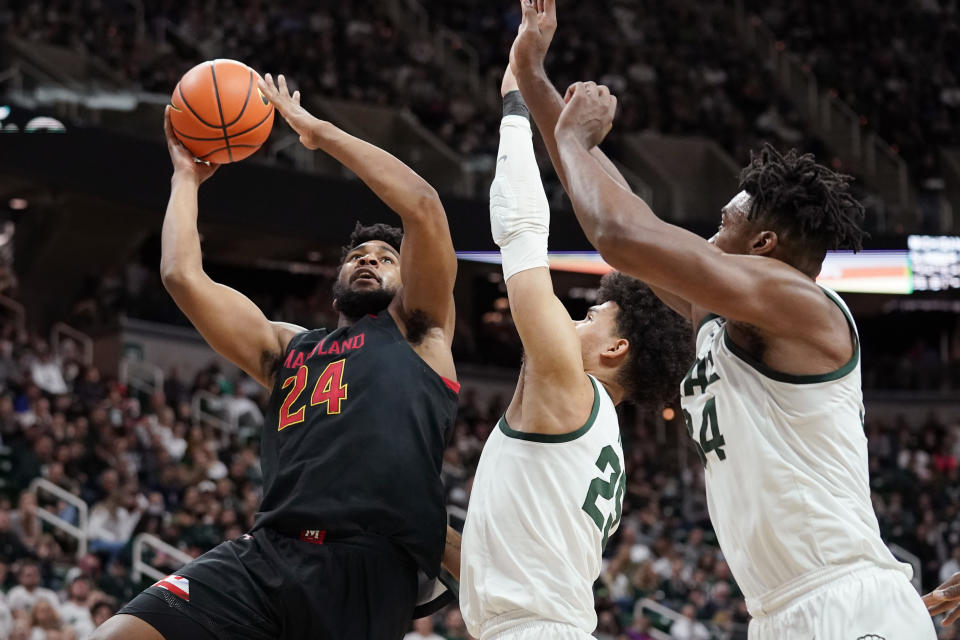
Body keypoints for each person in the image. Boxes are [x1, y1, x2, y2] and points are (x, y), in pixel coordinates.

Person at [509, 1, 937, 637]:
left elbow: (619, 233)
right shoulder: (727, 310)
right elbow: (617, 200)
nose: (705, 238)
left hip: (846, 600)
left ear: (763, 248)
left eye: (722, 226)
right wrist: (533, 74)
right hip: (776, 610)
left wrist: (572, 136)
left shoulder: (798, 305)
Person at [92, 72, 460, 640]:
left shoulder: (420, 332)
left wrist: (319, 133)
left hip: (366, 567)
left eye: (385, 258)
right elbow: (181, 276)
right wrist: (186, 177)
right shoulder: (289, 348)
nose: (367, 261)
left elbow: (424, 206)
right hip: (268, 554)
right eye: (357, 254)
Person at [458, 65, 691, 639]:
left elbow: (521, 236)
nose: (575, 319)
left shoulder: (570, 389)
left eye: (591, 315)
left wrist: (514, 108)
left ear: (615, 348)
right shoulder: (598, 434)